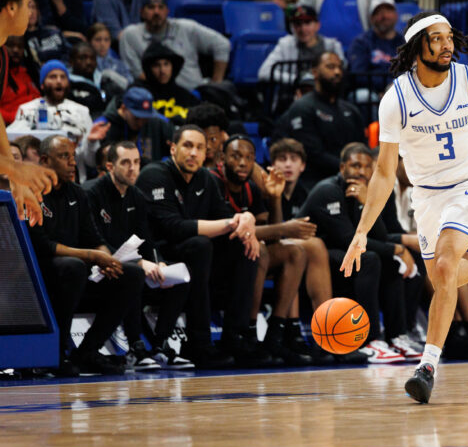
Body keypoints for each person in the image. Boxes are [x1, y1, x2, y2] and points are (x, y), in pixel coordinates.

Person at [339, 11, 468, 403]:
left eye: (449, 37)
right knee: (442, 279)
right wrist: (360, 234)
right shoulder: (397, 100)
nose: (446, 45)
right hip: (425, 195)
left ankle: (427, 367)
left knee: (443, 267)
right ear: (417, 46)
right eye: (436, 39)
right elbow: (385, 174)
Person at [0, 0, 58, 384]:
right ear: (9, 7)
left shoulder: (0, 58)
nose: (32, 11)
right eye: (28, 3)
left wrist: (13, 178)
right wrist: (13, 168)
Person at [136, 124, 262, 368]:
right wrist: (234, 221)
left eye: (200, 148)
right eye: (187, 146)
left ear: (207, 154)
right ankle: (199, 343)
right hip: (158, 256)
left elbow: (226, 216)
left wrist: (248, 222)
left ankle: (234, 337)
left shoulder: (205, 178)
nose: (193, 153)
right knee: (200, 245)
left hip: (198, 258)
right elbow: (173, 228)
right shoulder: (154, 174)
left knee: (246, 247)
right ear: (173, 149)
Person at [28, 135, 145, 375]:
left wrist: (108, 259)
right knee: (72, 266)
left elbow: (94, 237)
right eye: (64, 157)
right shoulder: (31, 191)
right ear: (44, 160)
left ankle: (88, 352)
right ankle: (56, 354)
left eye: (73, 156)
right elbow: (42, 245)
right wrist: (92, 256)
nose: (72, 163)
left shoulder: (78, 194)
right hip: (41, 277)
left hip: (77, 275)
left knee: (131, 273)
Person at [303, 143, 424, 364]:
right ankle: (369, 339)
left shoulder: (374, 190)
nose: (361, 171)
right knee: (370, 259)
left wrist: (369, 203)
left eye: (367, 167)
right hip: (316, 258)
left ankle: (397, 336)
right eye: (355, 165)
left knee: (390, 261)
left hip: (345, 256)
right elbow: (348, 240)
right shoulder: (328, 190)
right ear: (342, 168)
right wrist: (397, 248)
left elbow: (383, 235)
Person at [83, 140, 193, 370]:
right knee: (133, 274)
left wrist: (157, 261)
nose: (133, 168)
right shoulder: (91, 193)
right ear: (110, 166)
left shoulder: (137, 195)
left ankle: (160, 344)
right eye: (125, 163)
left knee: (180, 276)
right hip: (97, 269)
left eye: (136, 162)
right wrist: (141, 263)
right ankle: (135, 347)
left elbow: (146, 239)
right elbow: (96, 242)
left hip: (130, 264)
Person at [212, 135, 313, 366]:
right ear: (221, 158)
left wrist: (275, 198)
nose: (242, 163)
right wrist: (285, 227)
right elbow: (232, 232)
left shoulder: (250, 187)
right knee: (258, 251)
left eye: (249, 158)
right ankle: (246, 333)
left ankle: (275, 334)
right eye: (236, 156)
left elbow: (275, 237)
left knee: (295, 252)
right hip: (218, 256)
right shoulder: (213, 182)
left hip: (242, 257)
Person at [272, 51, 366, 189]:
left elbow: (361, 147)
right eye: (330, 67)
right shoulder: (303, 107)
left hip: (352, 180)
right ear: (315, 72)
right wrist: (348, 168)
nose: (337, 72)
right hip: (314, 183)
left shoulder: (351, 111)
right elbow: (312, 154)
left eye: (339, 67)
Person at [9, 60, 108, 180]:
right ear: (42, 84)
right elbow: (13, 144)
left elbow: (91, 162)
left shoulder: (81, 111)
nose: (59, 81)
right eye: (53, 77)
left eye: (63, 77)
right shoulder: (27, 110)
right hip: (35, 178)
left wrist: (91, 142)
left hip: (73, 181)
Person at [268, 137, 334, 317]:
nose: (288, 165)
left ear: (302, 166)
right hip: (266, 247)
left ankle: (321, 323)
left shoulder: (307, 194)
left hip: (294, 250)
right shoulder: (265, 189)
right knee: (313, 245)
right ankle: (324, 323)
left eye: (293, 159)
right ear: (273, 164)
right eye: (282, 159)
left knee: (311, 245)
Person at [120, 0, 231, 90]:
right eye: (151, 7)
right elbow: (136, 73)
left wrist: (217, 82)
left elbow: (222, 45)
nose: (156, 12)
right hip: (156, 96)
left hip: (194, 92)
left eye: (161, 7)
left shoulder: (187, 28)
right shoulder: (130, 35)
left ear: (167, 11)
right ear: (142, 12)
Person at [258, 4, 345, 85]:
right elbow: (264, 72)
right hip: (293, 97)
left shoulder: (332, 45)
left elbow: (343, 73)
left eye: (307, 23)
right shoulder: (285, 44)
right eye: (298, 24)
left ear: (317, 25)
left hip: (326, 96)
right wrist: (298, 80)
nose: (303, 29)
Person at [97, 86, 174, 166]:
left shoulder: (159, 122)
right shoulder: (103, 125)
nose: (141, 123)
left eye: (145, 119)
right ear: (123, 108)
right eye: (136, 118)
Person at [347, 0, 405, 94]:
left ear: (396, 15)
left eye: (388, 11)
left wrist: (395, 87)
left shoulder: (405, 43)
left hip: (401, 91)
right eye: (378, 13)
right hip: (373, 93)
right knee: (362, 95)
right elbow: (359, 76)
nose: (384, 16)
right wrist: (386, 87)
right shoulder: (361, 43)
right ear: (372, 18)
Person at [136, 41, 198, 123]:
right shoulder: (138, 92)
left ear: (173, 67)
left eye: (166, 64)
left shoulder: (184, 95)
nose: (162, 71)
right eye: (156, 65)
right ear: (148, 69)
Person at [0, 35, 40, 125]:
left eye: (20, 47)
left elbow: (39, 100)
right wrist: (19, 118)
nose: (16, 50)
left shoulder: (29, 73)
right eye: (10, 45)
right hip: (7, 126)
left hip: (33, 123)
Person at [66, 41, 109, 115]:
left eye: (92, 58)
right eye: (83, 58)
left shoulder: (105, 80)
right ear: (71, 62)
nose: (89, 62)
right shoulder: (66, 84)